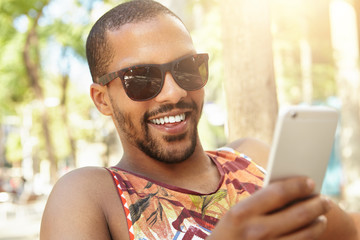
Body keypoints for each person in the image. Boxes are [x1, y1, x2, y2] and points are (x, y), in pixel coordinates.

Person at [40, 0, 360, 239]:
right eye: (141, 78)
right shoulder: (89, 194)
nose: (173, 92)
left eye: (187, 68)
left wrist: (313, 209)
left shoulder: (253, 159)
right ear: (102, 100)